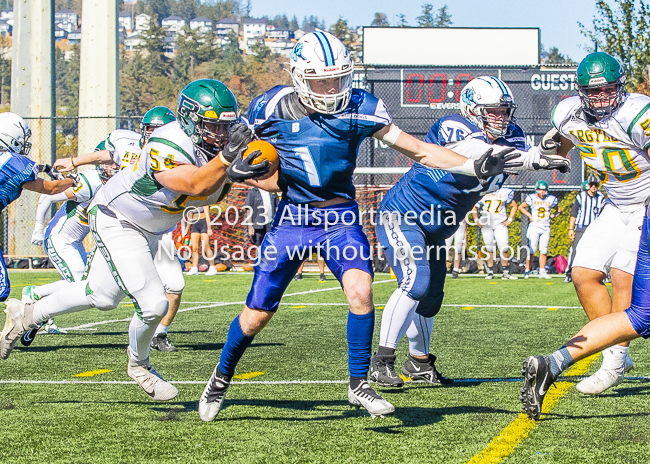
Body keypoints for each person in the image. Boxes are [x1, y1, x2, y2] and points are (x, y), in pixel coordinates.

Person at [197, 34, 524, 422]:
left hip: (340, 217)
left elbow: (417, 148)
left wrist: (472, 165)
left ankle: (358, 385)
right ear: (300, 77)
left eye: (338, 79)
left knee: (361, 290)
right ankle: (219, 379)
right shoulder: (270, 106)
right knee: (255, 316)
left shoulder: (359, 105)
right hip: (293, 218)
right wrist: (233, 170)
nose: (332, 89)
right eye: (322, 81)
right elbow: (231, 163)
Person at [0, 80, 270, 403]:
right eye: (213, 127)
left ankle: (27, 314)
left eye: (226, 127)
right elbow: (196, 185)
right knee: (154, 303)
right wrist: (227, 160)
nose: (222, 136)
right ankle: (139, 366)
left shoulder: (214, 148)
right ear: (189, 120)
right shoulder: (167, 143)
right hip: (117, 217)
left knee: (99, 295)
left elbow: (247, 176)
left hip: (149, 229)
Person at [369, 76, 570, 388]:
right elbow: (480, 153)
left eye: (505, 110)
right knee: (415, 281)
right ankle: (381, 361)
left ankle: (419, 362)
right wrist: (534, 158)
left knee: (432, 295)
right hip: (403, 215)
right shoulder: (455, 126)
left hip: (436, 227)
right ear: (472, 109)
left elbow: (519, 153)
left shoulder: (512, 136)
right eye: (493, 111)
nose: (501, 117)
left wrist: (547, 150)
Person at [536, 52, 648, 394]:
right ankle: (618, 354)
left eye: (607, 90)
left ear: (621, 86)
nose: (601, 98)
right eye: (593, 92)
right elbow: (564, 135)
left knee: (623, 276)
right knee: (583, 273)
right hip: (616, 203)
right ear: (580, 90)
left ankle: (614, 362)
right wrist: (554, 150)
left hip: (645, 202)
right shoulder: (568, 112)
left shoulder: (636, 113)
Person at [0, 112, 74, 352]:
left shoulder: (10, 162)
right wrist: (74, 179)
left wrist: (45, 167)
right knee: (1, 289)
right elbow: (51, 189)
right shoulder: (15, 162)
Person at [22, 158, 117, 342]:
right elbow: (48, 196)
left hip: (75, 241)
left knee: (85, 283)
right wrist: (38, 227)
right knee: (78, 284)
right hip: (59, 238)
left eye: (116, 162)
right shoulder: (91, 181)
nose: (115, 166)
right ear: (102, 164)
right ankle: (35, 293)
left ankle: (43, 311)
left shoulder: (116, 185)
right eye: (110, 162)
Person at [564, 176, 605, 283]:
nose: (594, 187)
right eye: (592, 185)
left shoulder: (601, 198)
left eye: (596, 185)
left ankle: (601, 274)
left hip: (596, 228)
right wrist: (570, 229)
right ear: (588, 186)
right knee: (575, 249)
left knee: (598, 251)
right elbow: (574, 213)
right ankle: (569, 273)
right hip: (582, 227)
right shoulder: (581, 197)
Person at [472, 187, 518, 280]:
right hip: (487, 224)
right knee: (489, 248)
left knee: (503, 247)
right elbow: (474, 206)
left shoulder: (504, 192)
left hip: (500, 224)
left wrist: (509, 219)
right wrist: (476, 220)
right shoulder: (483, 191)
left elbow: (514, 206)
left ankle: (505, 272)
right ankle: (490, 272)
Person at [518, 181, 560, 279]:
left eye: (544, 190)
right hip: (535, 226)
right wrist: (529, 215)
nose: (542, 192)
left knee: (544, 250)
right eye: (540, 190)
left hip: (546, 227)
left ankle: (542, 271)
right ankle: (527, 270)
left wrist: (554, 215)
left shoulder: (551, 199)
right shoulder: (532, 198)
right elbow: (521, 207)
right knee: (532, 249)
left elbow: (558, 210)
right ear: (536, 190)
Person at [186, 205, 218, 276]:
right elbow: (190, 216)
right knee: (194, 248)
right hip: (195, 224)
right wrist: (187, 229)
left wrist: (209, 228)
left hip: (203, 224)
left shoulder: (204, 203)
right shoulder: (192, 203)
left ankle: (212, 267)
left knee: (206, 246)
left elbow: (207, 215)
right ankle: (194, 268)